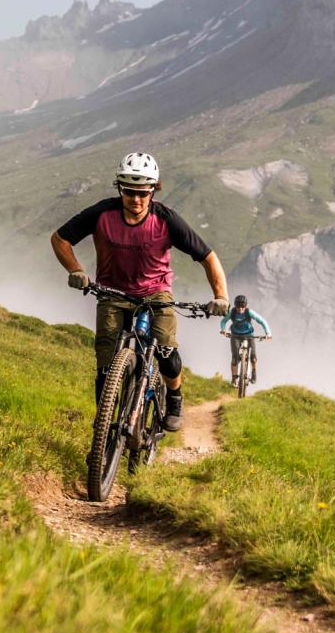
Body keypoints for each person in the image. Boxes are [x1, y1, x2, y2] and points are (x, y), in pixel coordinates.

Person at [50, 151, 230, 432]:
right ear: (120, 189)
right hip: (112, 293)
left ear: (153, 191)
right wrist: (75, 270)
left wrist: (221, 296)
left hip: (156, 294)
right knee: (105, 361)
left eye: (143, 193)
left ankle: (174, 398)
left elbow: (208, 257)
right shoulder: (102, 213)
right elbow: (60, 239)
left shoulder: (166, 219)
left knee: (166, 352)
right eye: (130, 192)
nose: (136, 199)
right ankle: (104, 426)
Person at [221, 294, 272, 388]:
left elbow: (262, 321)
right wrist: (223, 330)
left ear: (246, 306)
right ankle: (234, 378)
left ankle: (254, 373)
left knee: (253, 357)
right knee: (235, 358)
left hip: (249, 335)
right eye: (238, 306)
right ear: (235, 306)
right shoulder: (232, 312)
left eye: (242, 306)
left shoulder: (249, 312)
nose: (240, 309)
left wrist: (268, 333)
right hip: (235, 335)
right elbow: (223, 321)